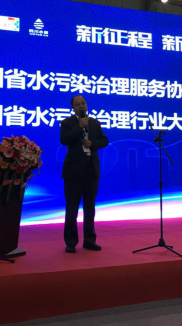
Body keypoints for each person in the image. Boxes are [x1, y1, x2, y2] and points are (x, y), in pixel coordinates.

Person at [60, 95, 109, 253]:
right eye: (77, 104)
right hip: (73, 172)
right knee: (72, 208)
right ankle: (71, 242)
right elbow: (64, 140)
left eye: (83, 103)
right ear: (73, 108)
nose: (81, 106)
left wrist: (92, 143)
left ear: (87, 105)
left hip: (91, 171)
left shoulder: (94, 123)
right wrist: (80, 127)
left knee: (90, 208)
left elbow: (104, 140)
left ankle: (89, 240)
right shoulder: (67, 123)